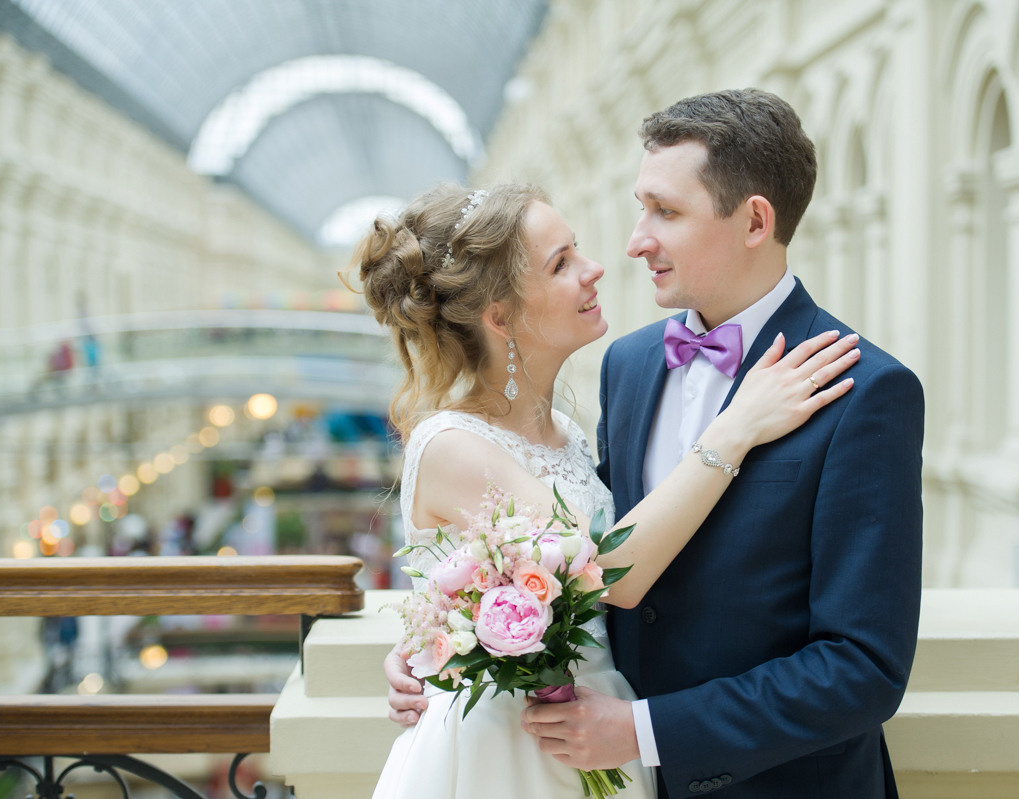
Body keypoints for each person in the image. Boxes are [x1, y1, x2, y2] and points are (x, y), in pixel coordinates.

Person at [353, 181, 861, 798]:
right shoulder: (451, 444)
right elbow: (612, 567)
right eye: (561, 263)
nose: (595, 268)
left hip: (598, 731)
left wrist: (436, 641)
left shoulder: (566, 433)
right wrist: (736, 429)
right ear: (501, 317)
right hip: (511, 755)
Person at [518, 89, 925, 797]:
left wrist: (645, 730)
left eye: (665, 212)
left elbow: (862, 667)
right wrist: (453, 660)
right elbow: (606, 562)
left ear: (755, 221)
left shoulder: (869, 393)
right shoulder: (631, 361)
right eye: (642, 206)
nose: (635, 239)